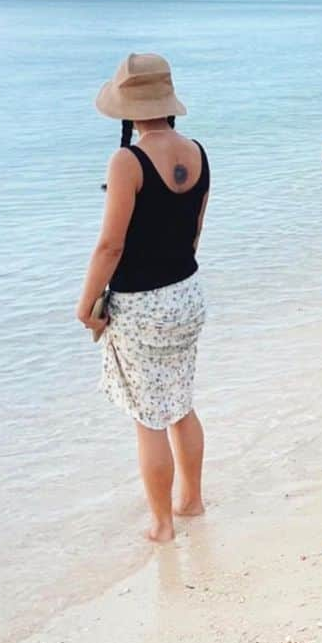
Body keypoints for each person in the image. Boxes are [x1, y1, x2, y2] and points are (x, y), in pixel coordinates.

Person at [76, 53, 209, 543]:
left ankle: (162, 524)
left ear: (128, 108)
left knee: (148, 417)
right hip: (187, 294)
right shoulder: (196, 151)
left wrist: (86, 302)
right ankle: (192, 500)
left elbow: (110, 245)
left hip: (141, 304)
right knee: (181, 403)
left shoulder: (126, 160)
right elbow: (194, 233)